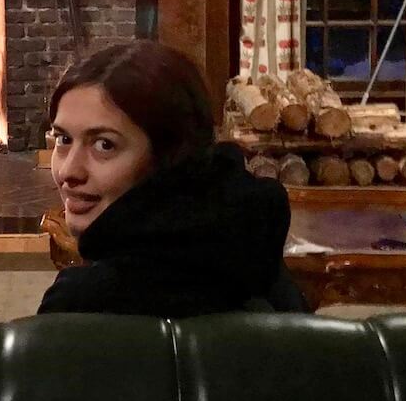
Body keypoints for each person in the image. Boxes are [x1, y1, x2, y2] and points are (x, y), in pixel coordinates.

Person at [36, 41, 301, 317]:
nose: (69, 171)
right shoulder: (255, 258)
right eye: (63, 139)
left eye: (104, 145)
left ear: (170, 157)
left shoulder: (81, 301)